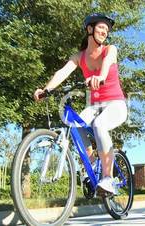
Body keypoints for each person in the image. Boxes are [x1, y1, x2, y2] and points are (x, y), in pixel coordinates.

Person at [34, 13, 127, 194]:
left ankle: (108, 179)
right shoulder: (79, 56)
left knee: (100, 125)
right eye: (101, 27)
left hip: (116, 104)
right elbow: (63, 72)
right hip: (94, 106)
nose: (104, 32)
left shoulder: (110, 49)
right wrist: (46, 90)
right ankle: (91, 166)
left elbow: (107, 63)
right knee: (74, 125)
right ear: (90, 29)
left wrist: (100, 76)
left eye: (107, 30)